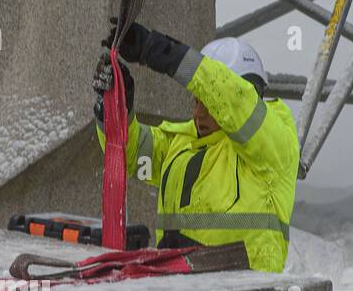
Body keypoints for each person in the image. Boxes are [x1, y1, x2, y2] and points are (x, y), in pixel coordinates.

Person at [93, 23, 299, 271]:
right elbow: (133, 156)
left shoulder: (272, 144)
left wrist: (163, 53)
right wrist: (115, 113)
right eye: (196, 101)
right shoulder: (184, 142)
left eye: (210, 104)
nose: (199, 113)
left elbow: (235, 99)